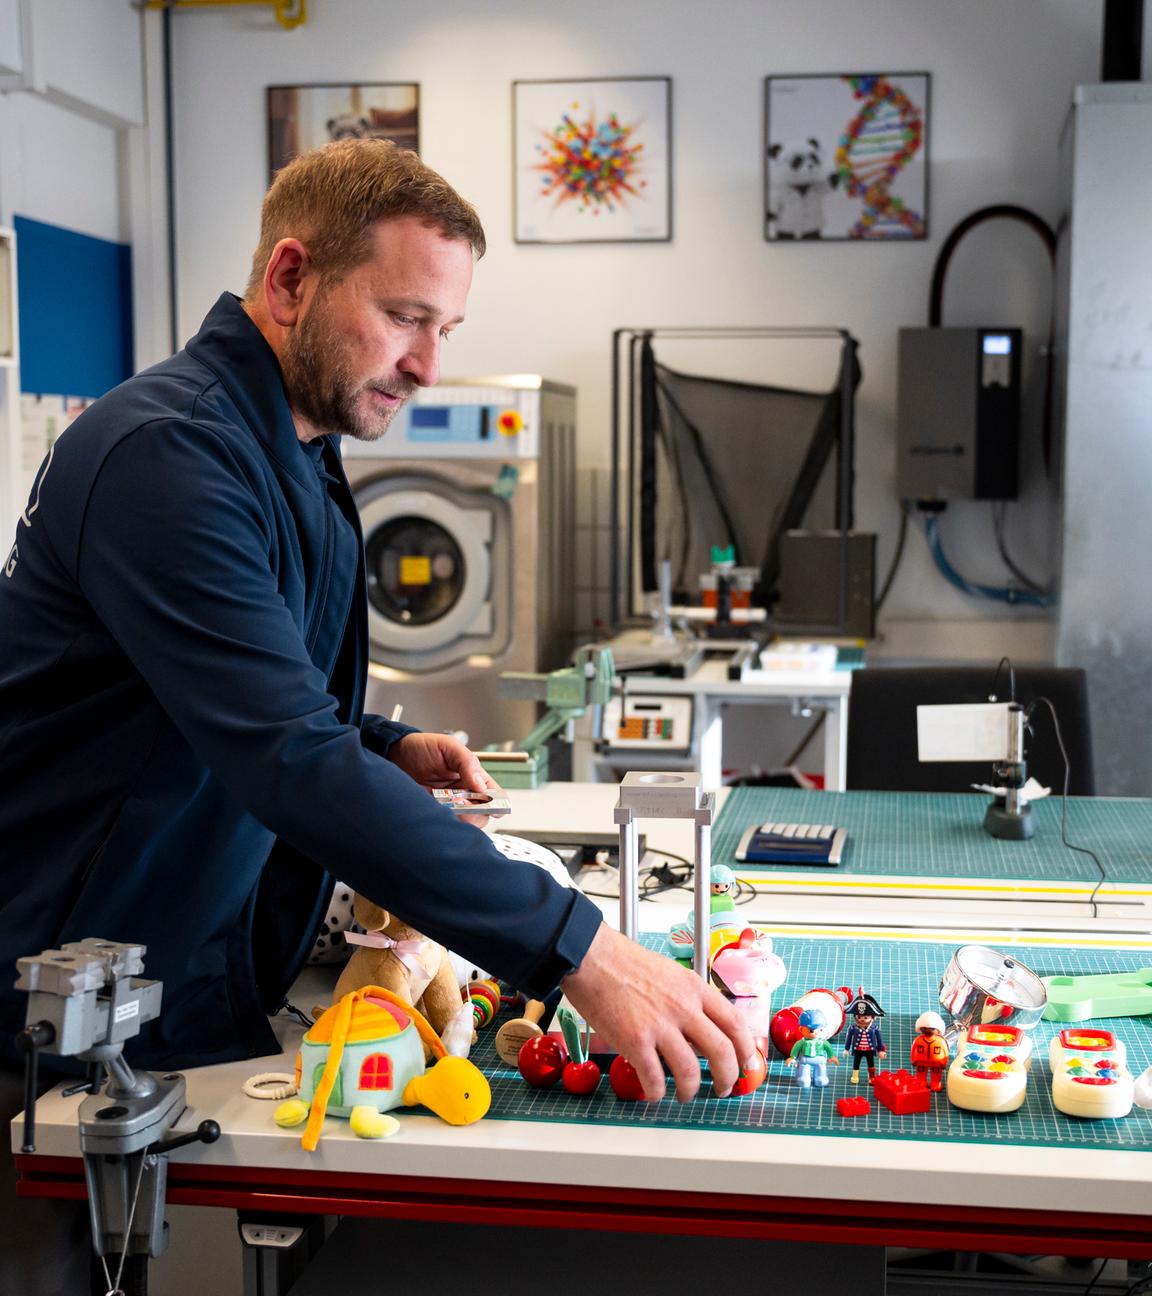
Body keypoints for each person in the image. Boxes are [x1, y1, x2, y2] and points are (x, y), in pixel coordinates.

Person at [0, 138, 756, 1293]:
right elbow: (285, 757)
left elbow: (252, 687)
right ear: (291, 280)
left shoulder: (295, 440)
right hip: (49, 997)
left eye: (445, 328)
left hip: (172, 958)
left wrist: (382, 739)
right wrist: (579, 951)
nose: (426, 363)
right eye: (406, 316)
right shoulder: (172, 455)